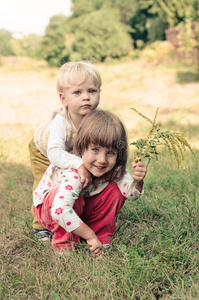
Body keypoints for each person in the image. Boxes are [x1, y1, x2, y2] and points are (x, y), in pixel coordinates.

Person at [33, 110, 147, 256]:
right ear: (81, 148)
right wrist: (89, 236)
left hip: (78, 207)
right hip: (51, 210)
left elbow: (130, 195)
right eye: (95, 150)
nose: (102, 160)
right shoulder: (74, 174)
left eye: (110, 152)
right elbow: (60, 211)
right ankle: (65, 244)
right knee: (73, 201)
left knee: (115, 191)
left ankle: (100, 237)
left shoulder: (114, 169)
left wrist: (138, 181)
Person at [29, 61, 102, 241]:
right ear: (63, 99)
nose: (86, 97)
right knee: (46, 183)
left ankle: (79, 213)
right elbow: (55, 152)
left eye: (91, 91)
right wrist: (79, 164)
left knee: (80, 180)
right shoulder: (60, 122)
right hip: (45, 150)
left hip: (71, 152)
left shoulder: (99, 118)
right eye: (77, 92)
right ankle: (40, 226)